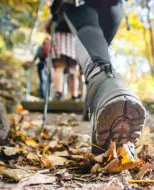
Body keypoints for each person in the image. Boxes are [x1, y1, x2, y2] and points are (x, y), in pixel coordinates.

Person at [52, 0, 146, 154]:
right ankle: (102, 89)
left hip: (81, 5)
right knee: (98, 44)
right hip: (113, 7)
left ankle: (102, 82)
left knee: (89, 31)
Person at [47, 4, 80, 101]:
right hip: (73, 38)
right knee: (73, 70)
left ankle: (58, 93)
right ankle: (74, 96)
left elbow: (50, 22)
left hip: (59, 36)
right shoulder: (77, 5)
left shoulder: (59, 5)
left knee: (59, 67)